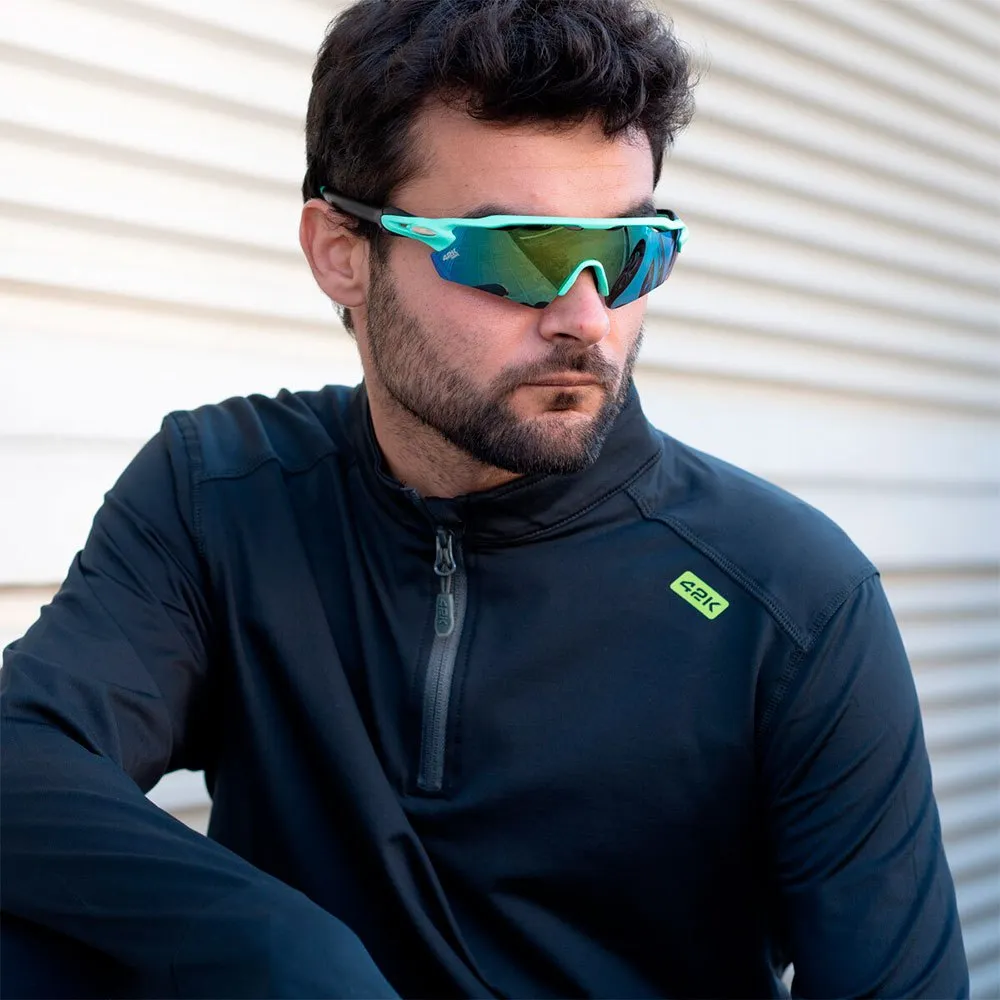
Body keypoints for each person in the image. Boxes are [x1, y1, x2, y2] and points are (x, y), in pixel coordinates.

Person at [0, 0, 969, 997]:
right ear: (342, 252)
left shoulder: (788, 597)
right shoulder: (226, 491)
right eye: (519, 252)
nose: (586, 318)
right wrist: (281, 950)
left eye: (630, 252)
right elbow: (24, 752)